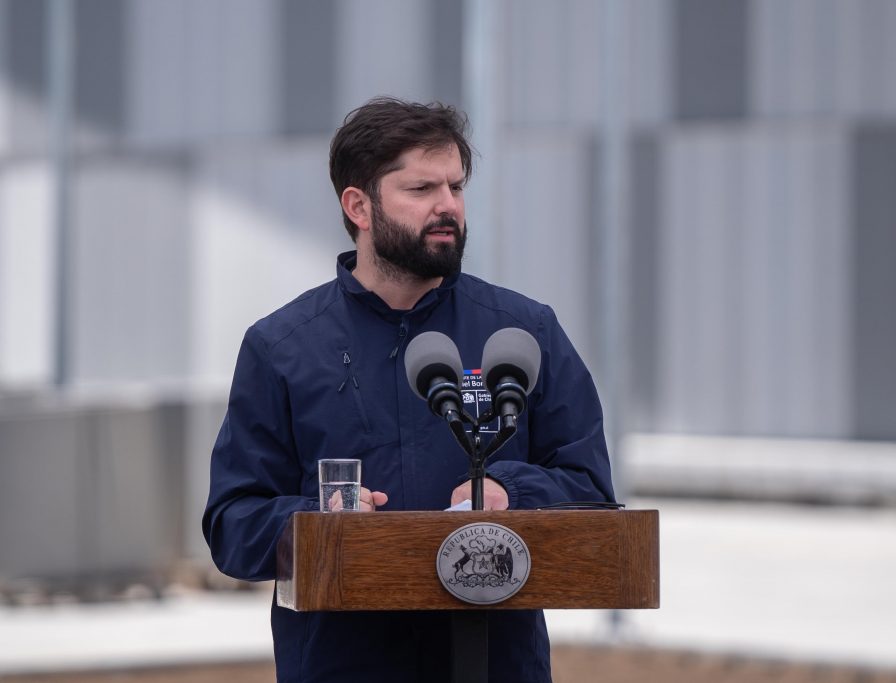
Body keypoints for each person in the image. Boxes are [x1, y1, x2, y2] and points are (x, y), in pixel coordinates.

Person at [202, 96, 615, 682]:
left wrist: (509, 494)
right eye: (422, 190)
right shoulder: (283, 347)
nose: (447, 206)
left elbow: (592, 488)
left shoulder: (523, 334)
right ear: (359, 205)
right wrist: (317, 520)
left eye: (456, 187)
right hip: (343, 665)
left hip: (496, 663)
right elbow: (232, 523)